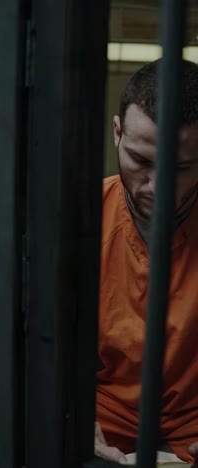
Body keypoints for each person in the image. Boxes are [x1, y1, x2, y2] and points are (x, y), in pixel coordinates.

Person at [95, 58, 198, 465]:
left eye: (182, 167)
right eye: (140, 161)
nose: (157, 186)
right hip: (103, 414)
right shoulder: (76, 222)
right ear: (116, 133)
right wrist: (64, 420)